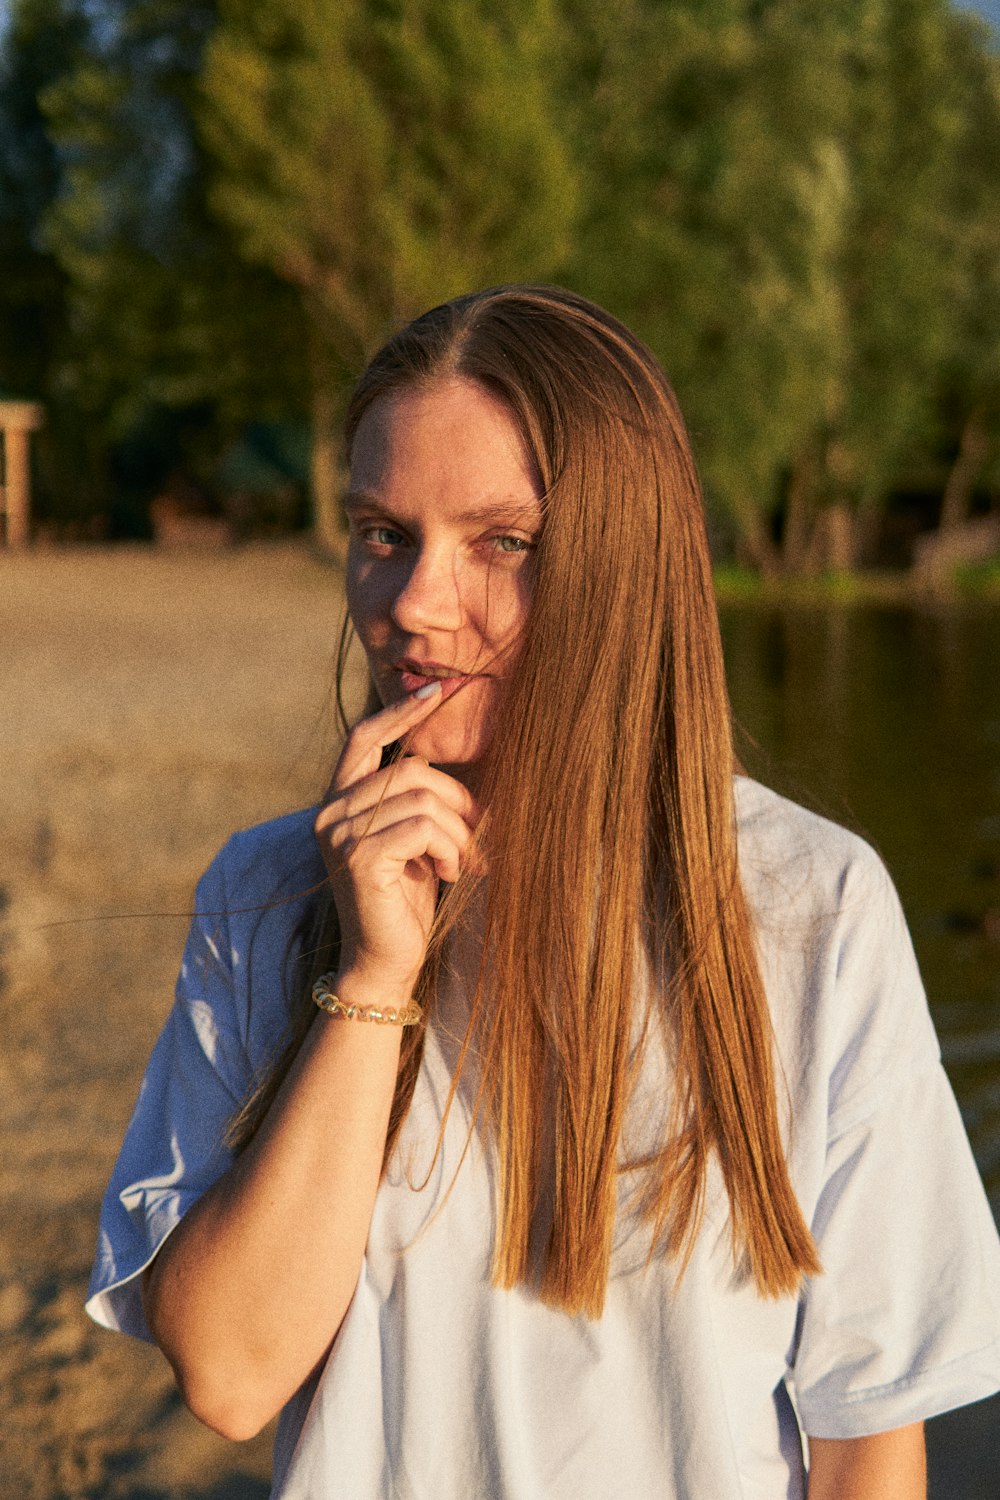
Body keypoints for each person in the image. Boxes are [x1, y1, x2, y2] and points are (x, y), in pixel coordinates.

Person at [87, 286, 1000, 1499]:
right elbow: (233, 1375)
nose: (411, 602)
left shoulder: (807, 904)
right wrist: (371, 981)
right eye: (381, 532)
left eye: (499, 542)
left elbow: (869, 1434)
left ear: (621, 569)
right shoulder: (269, 889)